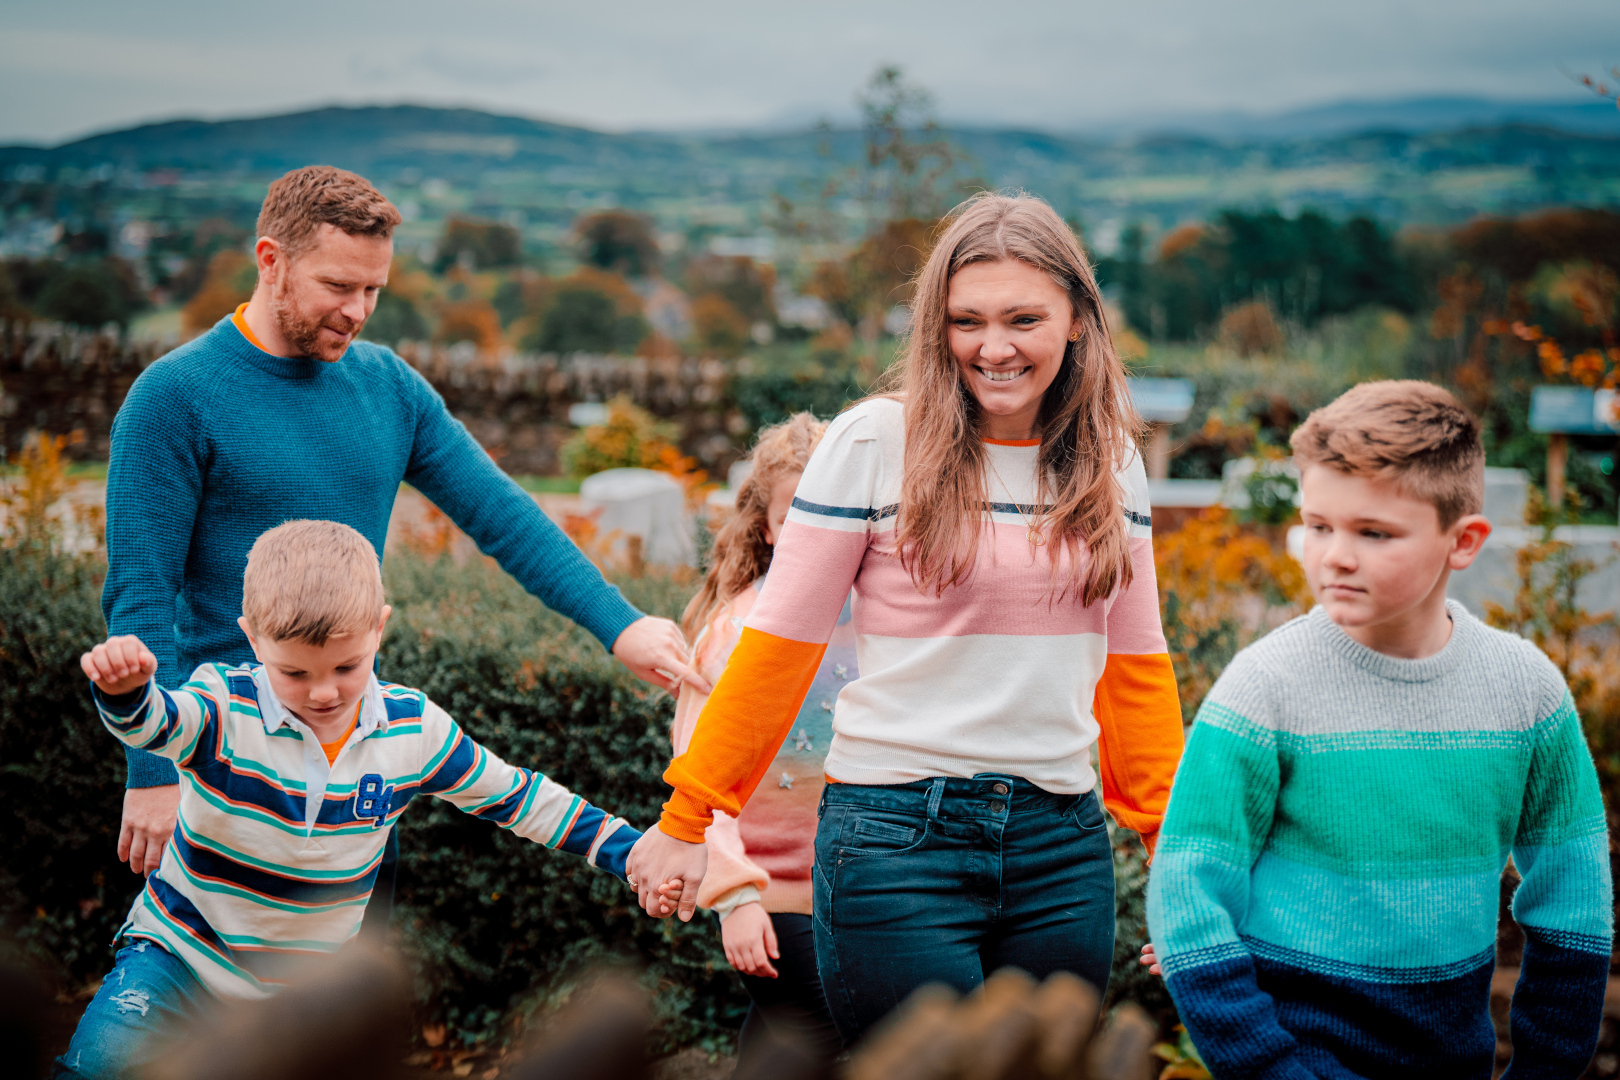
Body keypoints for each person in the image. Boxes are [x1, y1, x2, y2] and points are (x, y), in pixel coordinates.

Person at [628, 193, 1185, 1043]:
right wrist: (686, 817)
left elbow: (1136, 671)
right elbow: (777, 653)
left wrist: (1180, 862)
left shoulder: (1110, 463)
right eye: (967, 321)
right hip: (896, 840)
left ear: (1077, 319)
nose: (993, 348)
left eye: (1023, 319)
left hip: (1062, 846)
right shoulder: (873, 443)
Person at [103, 166, 706, 906]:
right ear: (271, 261)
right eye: (338, 287)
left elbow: (503, 517)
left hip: (355, 763)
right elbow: (141, 595)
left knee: (347, 1011)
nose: (358, 311)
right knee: (203, 1003)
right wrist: (153, 775)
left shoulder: (388, 388)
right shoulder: (174, 398)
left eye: (373, 291)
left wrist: (621, 627)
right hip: (222, 762)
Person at [58, 520, 671, 1080]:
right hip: (178, 957)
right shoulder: (223, 706)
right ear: (252, 637)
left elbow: (519, 797)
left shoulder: (413, 731)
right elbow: (157, 724)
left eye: (347, 667)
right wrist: (128, 692)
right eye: (294, 673)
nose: (323, 692)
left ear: (379, 627)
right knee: (97, 1069)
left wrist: (630, 850)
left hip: (303, 993)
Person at [1142, 381, 1613, 1078]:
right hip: (1295, 1054)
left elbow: (1574, 899)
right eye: (1319, 525)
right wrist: (1271, 1067)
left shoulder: (1526, 692)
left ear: (1464, 542)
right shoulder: (1264, 687)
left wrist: (1545, 1067)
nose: (1334, 555)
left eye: (1374, 533)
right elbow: (1188, 890)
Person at [672, 413, 846, 1066]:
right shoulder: (736, 633)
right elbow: (699, 773)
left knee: (778, 1052)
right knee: (837, 1048)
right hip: (771, 894)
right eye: (796, 512)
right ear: (768, 527)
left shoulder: (887, 621)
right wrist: (737, 898)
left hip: (862, 893)